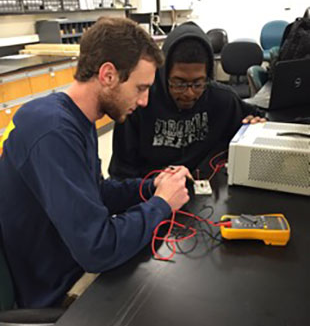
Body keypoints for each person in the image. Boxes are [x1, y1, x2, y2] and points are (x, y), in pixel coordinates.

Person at [0, 17, 191, 309]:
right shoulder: (53, 132)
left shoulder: (77, 118)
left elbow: (95, 193)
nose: (144, 101)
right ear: (108, 75)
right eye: (140, 87)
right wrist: (162, 204)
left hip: (73, 263)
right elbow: (97, 249)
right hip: (58, 293)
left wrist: (152, 186)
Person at [108, 22, 266, 180]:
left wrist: (255, 126)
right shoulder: (139, 104)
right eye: (179, 83)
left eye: (198, 83)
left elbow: (257, 121)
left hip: (206, 194)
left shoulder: (222, 100)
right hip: (151, 194)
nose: (189, 93)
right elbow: (121, 175)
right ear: (164, 75)